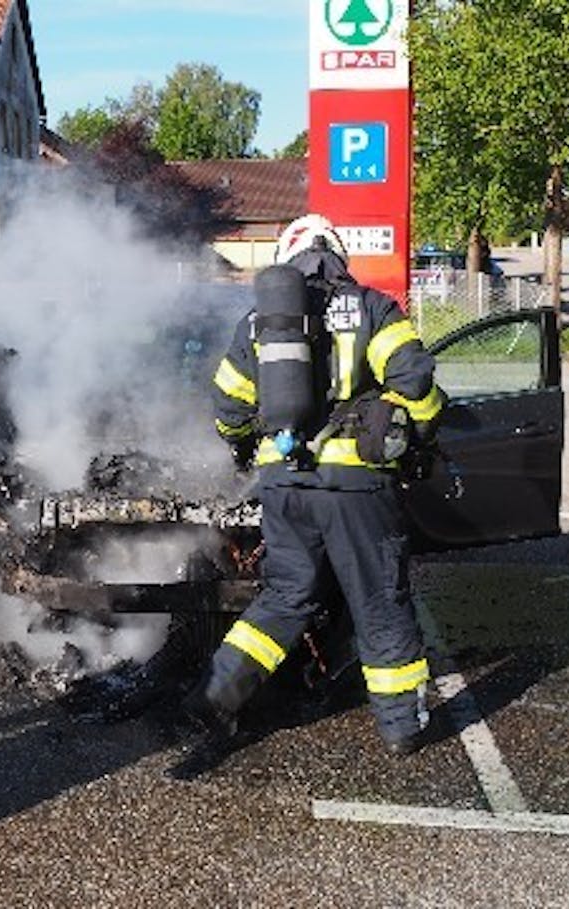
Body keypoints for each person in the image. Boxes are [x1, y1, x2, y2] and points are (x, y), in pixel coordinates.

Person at [182, 213, 446, 771]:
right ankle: (403, 727)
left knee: (285, 597)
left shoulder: (259, 322)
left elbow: (228, 408)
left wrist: (242, 448)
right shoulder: (373, 308)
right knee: (378, 601)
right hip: (356, 488)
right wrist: (415, 428)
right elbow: (416, 382)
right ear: (338, 255)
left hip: (284, 485)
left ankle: (213, 695)